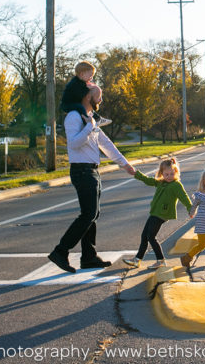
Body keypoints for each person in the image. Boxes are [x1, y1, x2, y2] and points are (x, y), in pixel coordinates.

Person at [48, 85, 134, 274]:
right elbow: (74, 143)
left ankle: (89, 257)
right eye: (98, 96)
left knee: (93, 214)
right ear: (88, 96)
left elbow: (106, 143)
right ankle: (60, 251)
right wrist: (89, 126)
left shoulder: (90, 119)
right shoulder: (74, 117)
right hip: (81, 171)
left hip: (92, 171)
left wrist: (125, 164)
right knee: (88, 214)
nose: (100, 101)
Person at [122, 158, 192, 269]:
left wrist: (190, 208)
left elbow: (184, 197)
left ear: (176, 173)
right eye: (166, 174)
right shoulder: (161, 182)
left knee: (151, 236)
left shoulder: (176, 185)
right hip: (155, 212)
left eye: (172, 174)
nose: (169, 176)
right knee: (144, 236)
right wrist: (136, 173)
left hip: (162, 214)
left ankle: (160, 260)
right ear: (162, 174)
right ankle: (137, 259)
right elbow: (148, 180)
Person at [60, 61, 111, 126]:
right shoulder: (75, 83)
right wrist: (88, 89)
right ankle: (86, 123)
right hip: (67, 105)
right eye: (90, 76)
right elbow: (81, 94)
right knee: (81, 108)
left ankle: (98, 119)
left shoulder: (81, 82)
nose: (91, 78)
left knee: (89, 107)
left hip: (75, 102)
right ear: (82, 74)